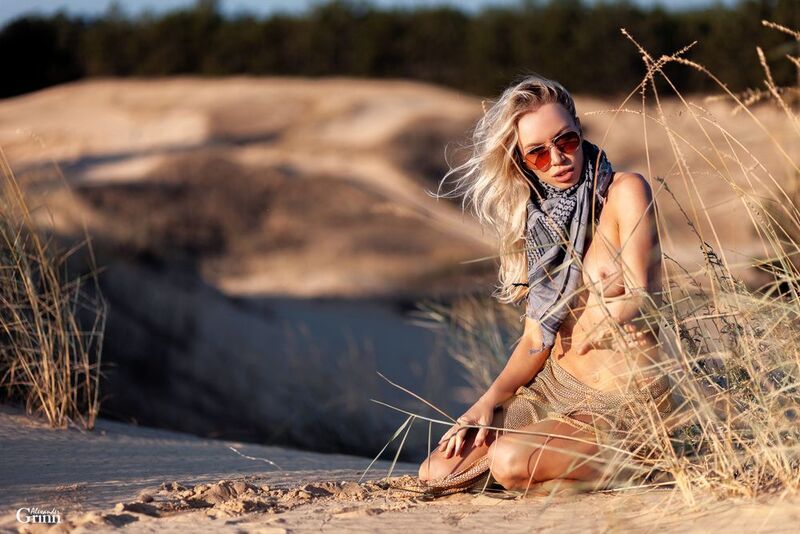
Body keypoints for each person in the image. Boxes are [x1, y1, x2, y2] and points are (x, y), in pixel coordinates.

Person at [415, 74, 673, 496]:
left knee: (510, 461)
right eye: (537, 153)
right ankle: (552, 472)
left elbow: (643, 292)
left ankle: (645, 463)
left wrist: (615, 313)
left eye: (566, 141)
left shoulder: (626, 191)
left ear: (578, 129)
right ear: (520, 161)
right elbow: (537, 339)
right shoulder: (540, 226)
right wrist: (490, 400)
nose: (557, 158)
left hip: (620, 400)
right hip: (553, 388)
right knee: (438, 471)